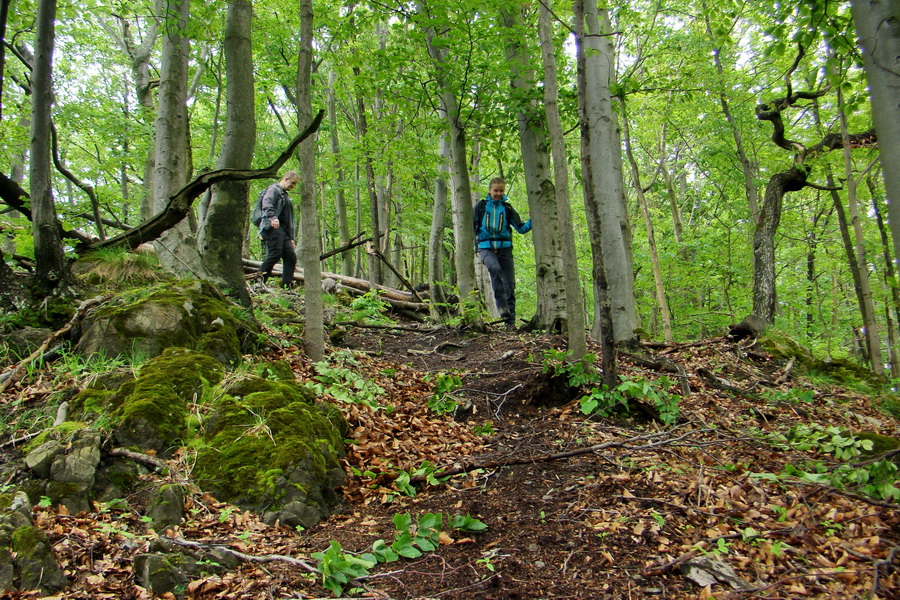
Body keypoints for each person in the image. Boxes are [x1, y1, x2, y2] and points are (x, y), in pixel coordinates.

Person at [473, 177, 532, 328]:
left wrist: (532, 220)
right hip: (486, 248)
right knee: (494, 268)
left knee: (510, 284)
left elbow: (521, 228)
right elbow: (470, 227)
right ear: (489, 190)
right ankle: (501, 306)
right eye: (496, 190)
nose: (498, 193)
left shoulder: (507, 209)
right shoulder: (480, 207)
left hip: (505, 250)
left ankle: (510, 322)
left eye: (501, 191)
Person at [257, 171, 299, 289]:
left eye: (295, 184)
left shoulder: (285, 195)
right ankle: (259, 281)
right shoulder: (274, 190)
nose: (293, 186)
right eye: (292, 183)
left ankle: (286, 286)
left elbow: (287, 219)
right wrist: (272, 218)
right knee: (275, 254)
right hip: (272, 227)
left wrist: (290, 238)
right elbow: (267, 203)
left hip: (283, 232)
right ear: (286, 179)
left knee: (290, 256)